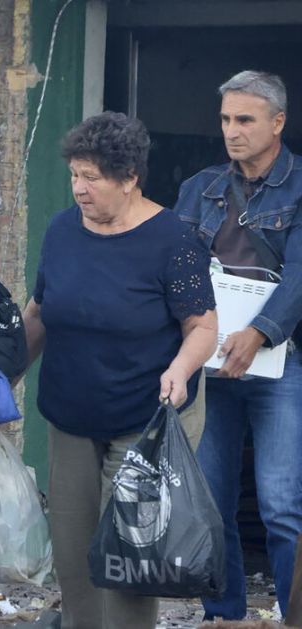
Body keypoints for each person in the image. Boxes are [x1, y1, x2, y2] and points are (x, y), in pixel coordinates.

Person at [22, 112, 218, 629]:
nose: (79, 189)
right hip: (71, 413)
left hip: (143, 419)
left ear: (130, 177)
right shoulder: (63, 230)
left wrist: (180, 368)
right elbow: (39, 311)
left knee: (128, 554)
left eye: (92, 177)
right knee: (72, 546)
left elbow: (201, 327)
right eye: (74, 175)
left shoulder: (175, 240)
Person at [173, 70, 302, 621]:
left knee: (281, 506)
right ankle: (224, 615)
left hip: (281, 364)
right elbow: (175, 267)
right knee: (210, 501)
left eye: (245, 119)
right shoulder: (199, 188)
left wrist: (263, 330)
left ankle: (293, 614)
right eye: (226, 119)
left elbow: (301, 272)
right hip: (210, 361)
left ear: (278, 122)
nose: (232, 130)